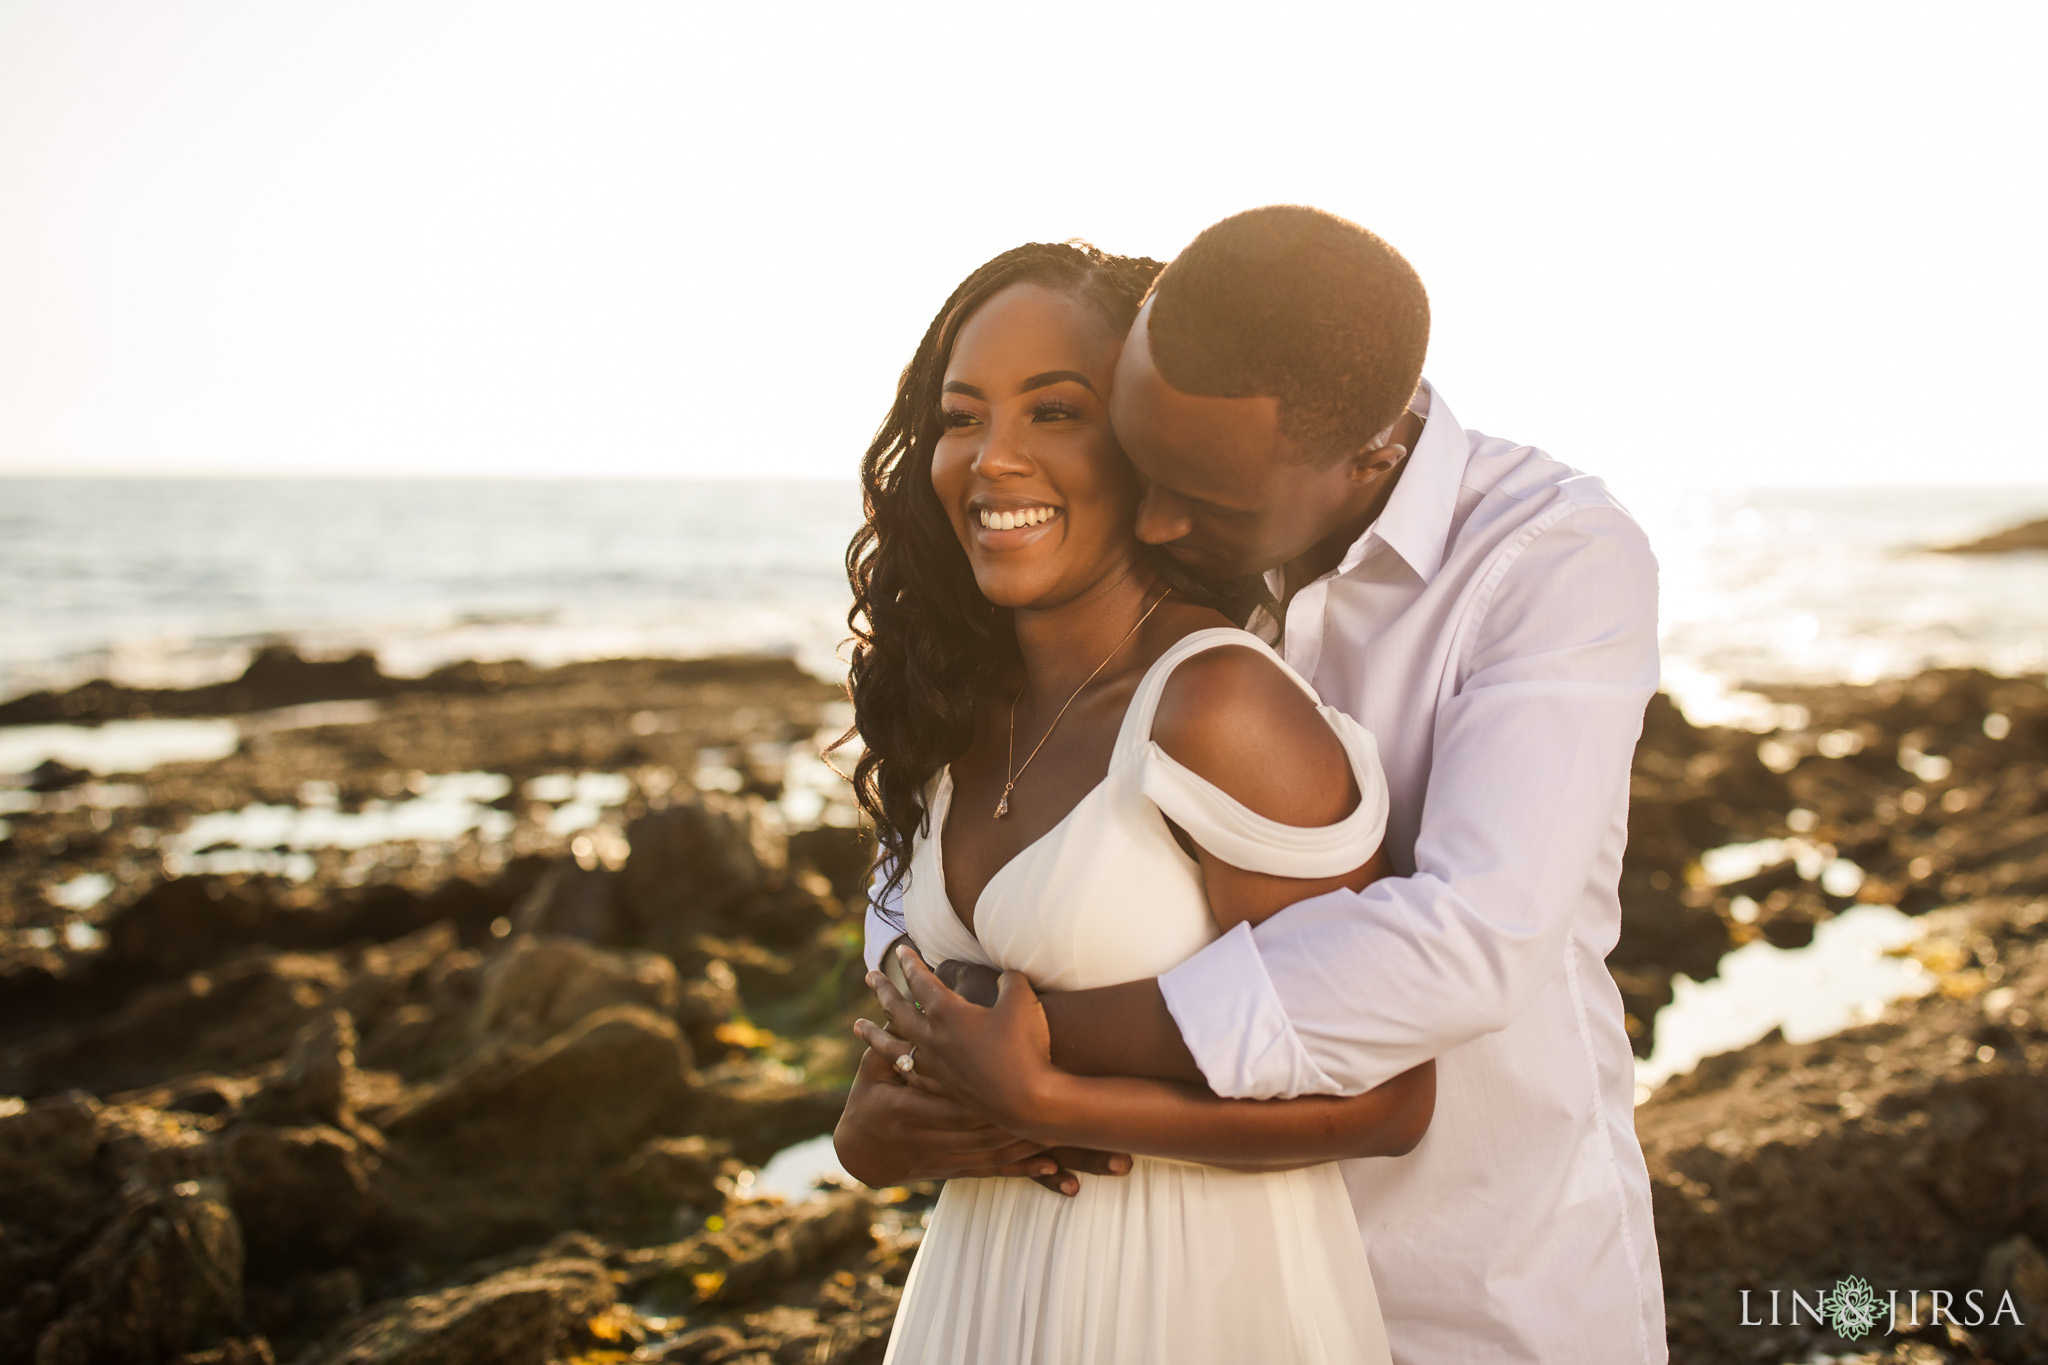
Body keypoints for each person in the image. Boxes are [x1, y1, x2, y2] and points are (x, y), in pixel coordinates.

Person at [850, 207, 1668, 1364]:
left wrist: (1025, 1055)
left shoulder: (1546, 558)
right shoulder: (1102, 609)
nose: (1161, 516)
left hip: (1471, 1263)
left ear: (1371, 453)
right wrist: (904, 1095)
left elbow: (1472, 941)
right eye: (1149, 462)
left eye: (1204, 496)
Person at [831, 239, 1437, 1364]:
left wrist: (1056, 1104)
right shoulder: (958, 713)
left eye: (1053, 413)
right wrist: (871, 1137)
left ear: (1150, 445)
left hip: (1196, 1306)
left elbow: (1390, 1096)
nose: (992, 458)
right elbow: (921, 1066)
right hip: (979, 1298)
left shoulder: (1214, 706)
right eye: (962, 418)